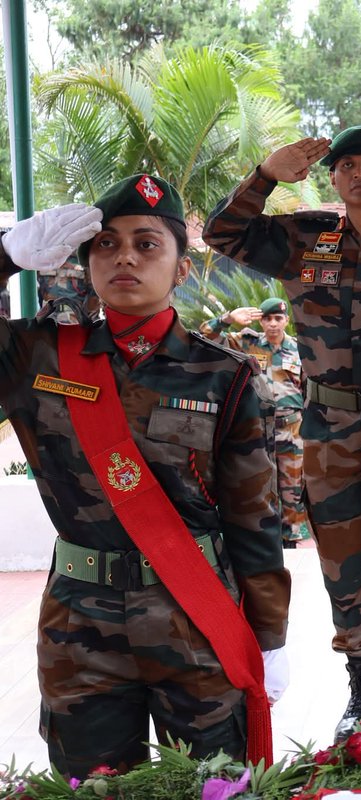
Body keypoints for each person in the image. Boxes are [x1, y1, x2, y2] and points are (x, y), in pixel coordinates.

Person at [0, 176, 291, 773]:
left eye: (147, 243)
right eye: (105, 244)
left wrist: (270, 632)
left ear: (181, 270)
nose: (124, 255)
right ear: (85, 264)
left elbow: (252, 514)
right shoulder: (36, 356)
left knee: (214, 784)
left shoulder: (223, 374)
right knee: (91, 787)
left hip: (196, 613)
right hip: (81, 623)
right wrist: (3, 258)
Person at [203, 125, 361, 739]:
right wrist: (266, 175)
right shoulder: (301, 240)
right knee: (342, 562)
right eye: (346, 165)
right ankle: (360, 689)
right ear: (333, 179)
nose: (360, 174)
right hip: (328, 425)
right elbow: (223, 233)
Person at [201, 298, 309, 547]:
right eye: (267, 318)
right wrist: (227, 319)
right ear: (261, 321)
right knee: (258, 483)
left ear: (286, 321)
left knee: (293, 484)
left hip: (292, 428)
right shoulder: (246, 343)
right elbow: (206, 336)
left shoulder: (299, 349)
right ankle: (263, 537)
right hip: (257, 428)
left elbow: (309, 388)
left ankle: (292, 539)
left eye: (278, 318)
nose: (272, 324)